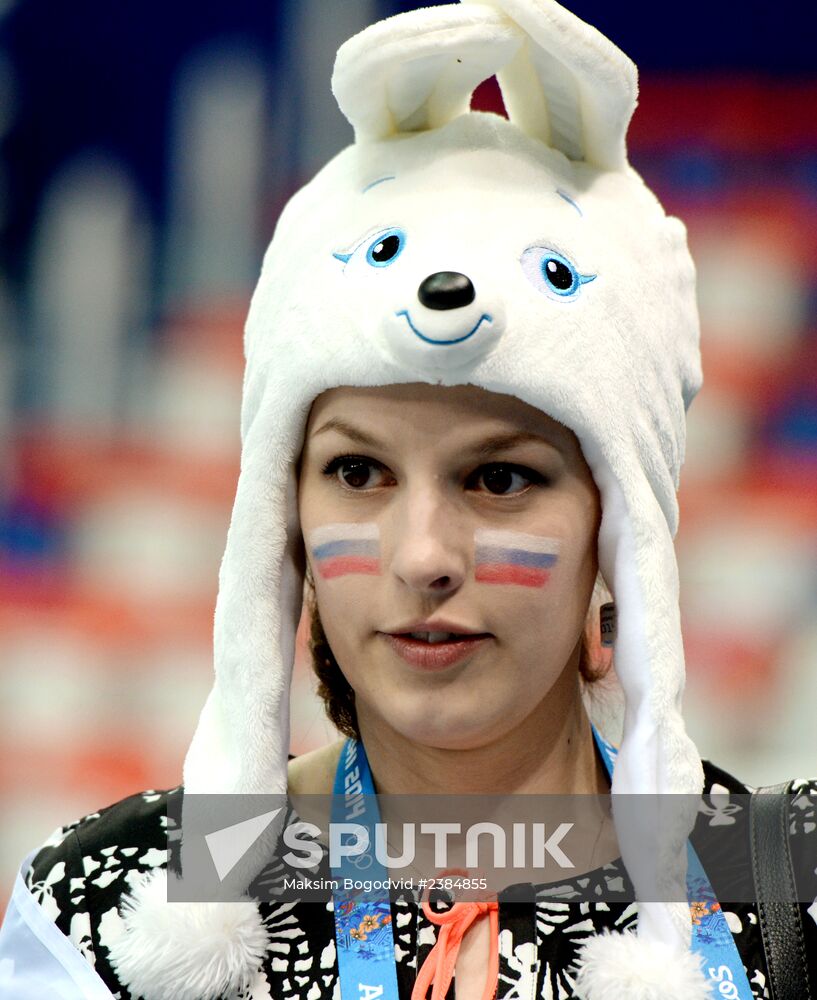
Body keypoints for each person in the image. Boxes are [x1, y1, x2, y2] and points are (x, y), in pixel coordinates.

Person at [1, 1, 815, 998]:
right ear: (282, 518)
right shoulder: (112, 910)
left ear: (618, 528)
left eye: (499, 477)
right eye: (356, 472)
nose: (422, 553)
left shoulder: (790, 886)